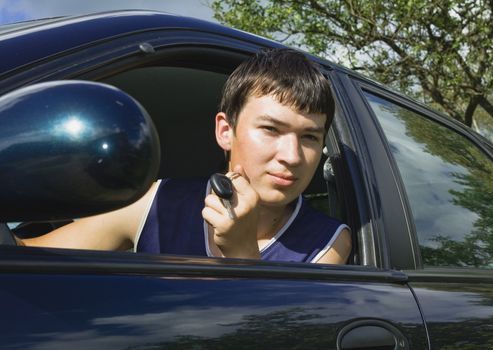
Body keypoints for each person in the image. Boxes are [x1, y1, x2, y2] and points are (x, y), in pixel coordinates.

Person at [20, 48, 352, 264]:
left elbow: (279, 335)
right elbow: (29, 259)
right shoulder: (158, 202)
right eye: (270, 129)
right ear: (225, 131)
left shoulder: (328, 241)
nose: (293, 156)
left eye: (310, 137)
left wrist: (242, 252)